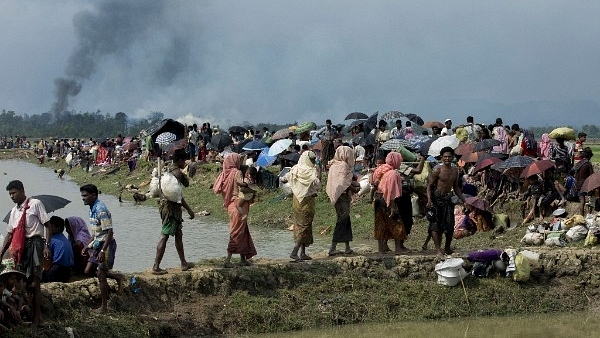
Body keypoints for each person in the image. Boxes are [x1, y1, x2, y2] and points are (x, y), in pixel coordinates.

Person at [0, 180, 51, 327]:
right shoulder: (14, 211)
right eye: (10, 194)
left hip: (35, 243)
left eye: (14, 193)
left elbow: (47, 225)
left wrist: (46, 246)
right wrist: (2, 253)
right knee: (23, 282)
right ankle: (27, 314)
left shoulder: (35, 204)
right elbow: (10, 234)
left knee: (35, 282)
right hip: (21, 247)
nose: (12, 196)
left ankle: (37, 319)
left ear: (22, 190)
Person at [80, 184, 124, 313]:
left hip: (106, 244)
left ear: (94, 195)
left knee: (100, 273)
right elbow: (95, 232)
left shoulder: (101, 209)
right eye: (82, 196)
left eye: (85, 196)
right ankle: (117, 277)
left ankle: (104, 307)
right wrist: (87, 246)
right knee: (88, 271)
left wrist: (103, 251)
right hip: (98, 243)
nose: (83, 198)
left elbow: (110, 232)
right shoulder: (91, 208)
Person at [152, 148, 196, 275]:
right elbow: (181, 193)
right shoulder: (178, 173)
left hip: (165, 206)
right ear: (181, 160)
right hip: (172, 209)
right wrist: (190, 210)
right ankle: (155, 266)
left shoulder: (167, 170)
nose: (185, 162)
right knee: (164, 236)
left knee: (178, 234)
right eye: (185, 160)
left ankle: (183, 263)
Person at [213, 153, 257, 268]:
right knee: (236, 233)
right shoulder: (236, 173)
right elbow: (241, 185)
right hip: (239, 205)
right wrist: (248, 182)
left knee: (242, 231)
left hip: (231, 206)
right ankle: (227, 260)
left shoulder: (224, 174)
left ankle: (243, 259)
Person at [426, 147, 467, 257]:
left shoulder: (455, 171)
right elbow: (429, 186)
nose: (447, 158)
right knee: (435, 225)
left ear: (452, 157)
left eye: (449, 156)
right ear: (441, 158)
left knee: (450, 225)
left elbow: (456, 187)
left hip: (447, 199)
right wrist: (429, 200)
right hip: (436, 199)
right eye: (445, 157)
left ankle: (447, 247)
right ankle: (438, 249)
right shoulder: (437, 170)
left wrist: (464, 200)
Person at [282, 151, 321, 261]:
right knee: (305, 226)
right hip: (307, 201)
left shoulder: (295, 169)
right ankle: (295, 252)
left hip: (297, 200)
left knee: (301, 225)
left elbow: (284, 179)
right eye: (313, 160)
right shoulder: (312, 171)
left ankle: (303, 253)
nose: (313, 162)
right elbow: (318, 184)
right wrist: (319, 172)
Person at [326, 146, 360, 255]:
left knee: (346, 220)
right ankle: (332, 247)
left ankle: (347, 247)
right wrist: (354, 188)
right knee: (342, 220)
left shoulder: (333, 165)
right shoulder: (343, 166)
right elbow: (343, 184)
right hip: (342, 197)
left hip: (337, 196)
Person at [42, 216, 74, 283]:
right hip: (68, 273)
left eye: (51, 227)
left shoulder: (52, 240)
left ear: (58, 228)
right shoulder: (66, 240)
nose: (49, 229)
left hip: (57, 271)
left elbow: (46, 258)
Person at [573, 147, 594, 216]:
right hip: (585, 185)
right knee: (591, 200)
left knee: (582, 201)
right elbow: (592, 176)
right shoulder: (588, 164)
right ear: (589, 156)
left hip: (578, 185)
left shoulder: (579, 163)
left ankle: (581, 216)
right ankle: (590, 215)